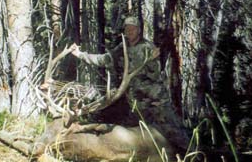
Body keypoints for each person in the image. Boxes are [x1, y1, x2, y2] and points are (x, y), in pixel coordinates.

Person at [70, 16, 190, 150]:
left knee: (172, 131)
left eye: (133, 28)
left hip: (154, 101)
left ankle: (195, 154)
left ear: (139, 30)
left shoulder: (147, 48)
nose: (130, 31)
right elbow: (103, 59)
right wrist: (80, 54)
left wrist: (150, 61)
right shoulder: (123, 47)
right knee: (140, 137)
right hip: (135, 103)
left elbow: (155, 74)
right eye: (127, 28)